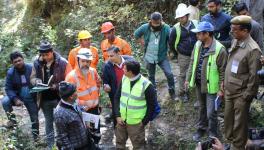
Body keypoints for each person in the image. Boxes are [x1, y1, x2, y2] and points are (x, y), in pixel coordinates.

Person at [224, 15, 262, 150]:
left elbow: (254, 77)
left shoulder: (253, 50)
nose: (232, 32)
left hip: (241, 94)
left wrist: (247, 95)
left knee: (239, 125)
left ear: (245, 31)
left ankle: (238, 146)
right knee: (228, 121)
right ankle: (230, 143)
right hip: (230, 90)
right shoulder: (237, 41)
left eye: (235, 30)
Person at [185, 21, 227, 141]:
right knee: (202, 108)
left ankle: (213, 134)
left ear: (207, 34)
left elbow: (223, 72)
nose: (197, 36)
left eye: (199, 33)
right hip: (199, 83)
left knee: (211, 112)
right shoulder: (198, 44)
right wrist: (188, 79)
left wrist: (221, 89)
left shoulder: (220, 49)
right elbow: (192, 62)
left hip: (212, 87)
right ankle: (201, 128)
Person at [30, 40, 71, 148]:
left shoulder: (63, 62)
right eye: (42, 55)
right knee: (48, 122)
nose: (45, 57)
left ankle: (63, 144)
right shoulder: (37, 63)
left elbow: (69, 81)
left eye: (47, 54)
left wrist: (57, 86)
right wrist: (36, 81)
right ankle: (50, 146)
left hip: (59, 98)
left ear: (52, 51)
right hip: (44, 98)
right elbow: (32, 78)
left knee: (61, 122)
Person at [114, 60, 155, 150]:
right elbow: (117, 97)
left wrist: (144, 122)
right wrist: (117, 115)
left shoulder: (147, 85)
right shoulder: (124, 78)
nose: (122, 70)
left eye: (124, 69)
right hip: (121, 120)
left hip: (136, 123)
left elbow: (152, 106)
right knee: (119, 144)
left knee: (139, 146)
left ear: (130, 72)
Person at [134, 12, 176, 100]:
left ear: (161, 20)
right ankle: (153, 93)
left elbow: (172, 38)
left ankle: (172, 91)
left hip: (162, 56)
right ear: (151, 21)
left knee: (169, 74)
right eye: (154, 23)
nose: (156, 25)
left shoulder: (166, 28)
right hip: (149, 56)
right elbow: (136, 34)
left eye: (158, 23)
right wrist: (141, 41)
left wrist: (171, 50)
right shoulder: (145, 27)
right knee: (151, 76)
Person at [66, 48, 101, 144]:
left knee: (96, 135)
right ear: (78, 60)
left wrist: (96, 101)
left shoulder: (93, 72)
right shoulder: (71, 77)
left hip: (94, 110)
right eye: (83, 61)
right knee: (83, 137)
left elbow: (97, 87)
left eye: (88, 61)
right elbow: (68, 100)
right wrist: (85, 103)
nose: (85, 64)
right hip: (80, 112)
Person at [2, 51, 39, 140]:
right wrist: (15, 99)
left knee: (34, 117)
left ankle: (36, 138)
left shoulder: (31, 68)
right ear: (12, 63)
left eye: (19, 60)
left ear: (23, 59)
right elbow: (8, 88)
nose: (18, 63)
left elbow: (39, 80)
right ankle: (14, 126)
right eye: (15, 62)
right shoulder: (11, 73)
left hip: (30, 95)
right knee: (5, 101)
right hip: (17, 95)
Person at [54, 81, 96, 150]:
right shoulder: (60, 114)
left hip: (88, 143)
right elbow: (62, 138)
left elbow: (78, 115)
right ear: (71, 96)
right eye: (75, 91)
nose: (77, 92)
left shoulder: (73, 102)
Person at [169, 3, 198, 102]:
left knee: (197, 71)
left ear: (187, 16)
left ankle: (196, 89)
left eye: (182, 17)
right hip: (183, 54)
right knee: (183, 74)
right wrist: (177, 53)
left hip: (196, 53)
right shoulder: (175, 28)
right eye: (179, 18)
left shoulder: (196, 24)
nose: (180, 19)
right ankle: (184, 92)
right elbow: (171, 43)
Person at [102, 46, 134, 126]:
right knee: (117, 115)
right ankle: (118, 132)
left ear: (118, 53)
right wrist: (106, 86)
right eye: (108, 56)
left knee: (131, 112)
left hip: (131, 93)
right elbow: (105, 82)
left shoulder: (130, 61)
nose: (109, 58)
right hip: (116, 95)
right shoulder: (107, 66)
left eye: (111, 56)